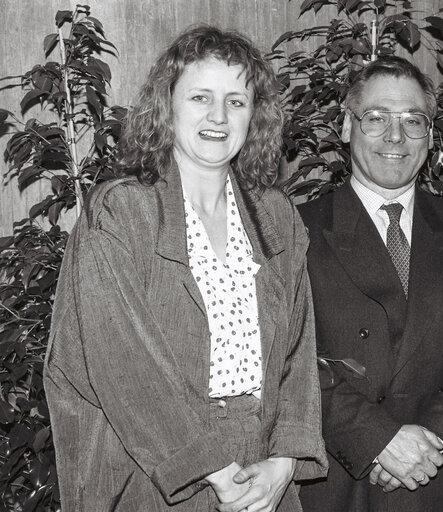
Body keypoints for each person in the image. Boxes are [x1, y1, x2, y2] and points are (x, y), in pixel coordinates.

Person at [44, 26, 327, 511]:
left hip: (262, 465)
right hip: (155, 469)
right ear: (167, 106)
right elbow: (119, 362)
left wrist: (285, 458)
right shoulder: (119, 213)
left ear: (254, 115)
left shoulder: (276, 214)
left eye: (237, 101)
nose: (219, 116)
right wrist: (209, 465)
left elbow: (298, 352)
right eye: (200, 97)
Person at [296, 55, 443, 512]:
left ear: (430, 136)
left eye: (413, 120)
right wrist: (377, 440)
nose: (396, 136)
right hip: (339, 480)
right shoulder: (297, 231)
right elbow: (291, 358)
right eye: (376, 118)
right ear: (347, 128)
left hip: (440, 479)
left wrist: (429, 444)